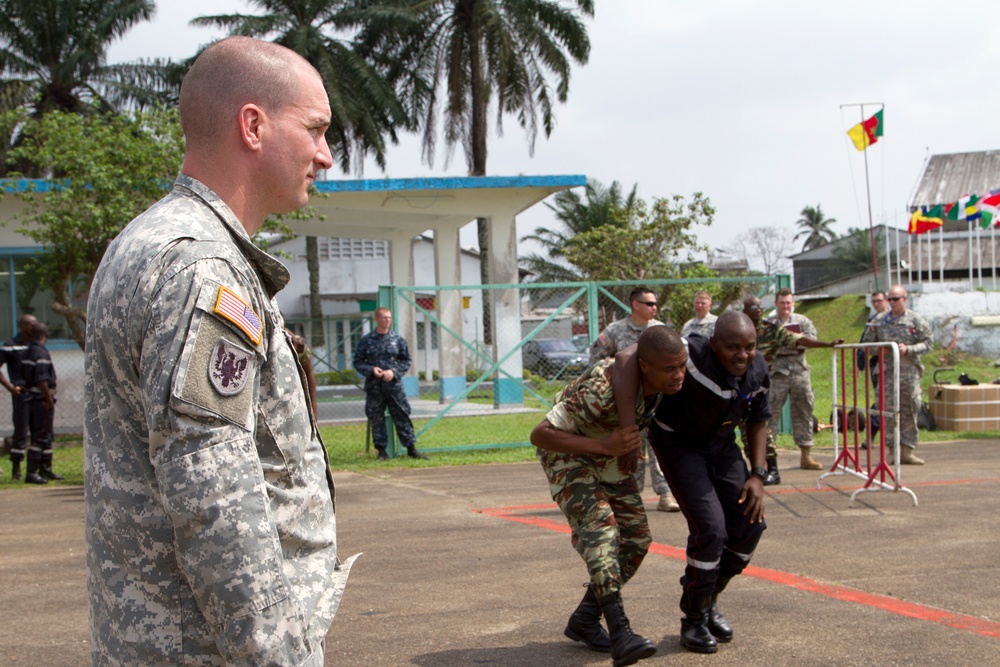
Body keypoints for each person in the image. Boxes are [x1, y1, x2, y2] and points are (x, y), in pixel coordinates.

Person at [83, 37, 358, 665]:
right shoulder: (203, 267)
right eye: (315, 129)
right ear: (253, 126)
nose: (326, 154)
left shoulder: (150, 240)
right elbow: (216, 500)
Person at [531, 326, 688, 666]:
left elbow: (633, 352)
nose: (679, 376)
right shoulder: (601, 390)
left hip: (610, 458)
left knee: (636, 539)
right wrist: (604, 445)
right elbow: (540, 434)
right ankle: (621, 632)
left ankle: (586, 618)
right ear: (645, 366)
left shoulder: (659, 380)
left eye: (682, 366)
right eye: (670, 369)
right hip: (569, 457)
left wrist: (618, 446)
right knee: (602, 529)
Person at [613, 311, 768, 654]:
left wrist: (758, 474)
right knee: (712, 530)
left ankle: (710, 600)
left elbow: (758, 419)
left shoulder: (758, 371)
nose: (742, 355)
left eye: (750, 346)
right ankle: (693, 619)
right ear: (714, 345)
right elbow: (626, 357)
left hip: (723, 446)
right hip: (679, 445)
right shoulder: (693, 354)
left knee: (749, 524)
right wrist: (629, 430)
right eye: (732, 347)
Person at [590, 286, 680, 512]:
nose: (654, 308)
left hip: (657, 401)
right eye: (649, 304)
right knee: (632, 446)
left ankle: (666, 494)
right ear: (635, 305)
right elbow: (595, 359)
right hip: (628, 402)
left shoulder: (661, 330)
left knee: (661, 447)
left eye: (655, 304)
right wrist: (615, 369)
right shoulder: (615, 330)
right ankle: (632, 495)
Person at [741, 294, 841, 482]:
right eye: (755, 308)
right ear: (745, 310)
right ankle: (749, 468)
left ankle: (772, 470)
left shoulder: (771, 330)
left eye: (761, 307)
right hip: (737, 387)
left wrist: (827, 345)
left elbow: (800, 340)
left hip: (758, 387)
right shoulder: (737, 329)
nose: (759, 310)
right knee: (742, 429)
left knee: (760, 426)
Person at [860, 284, 933, 465]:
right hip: (886, 371)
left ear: (904, 299)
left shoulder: (915, 320)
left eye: (896, 299)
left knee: (910, 409)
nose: (892, 303)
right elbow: (867, 345)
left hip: (908, 370)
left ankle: (907, 450)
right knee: (887, 411)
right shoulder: (879, 320)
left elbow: (928, 343)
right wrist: (881, 350)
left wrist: (909, 349)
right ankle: (892, 450)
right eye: (890, 299)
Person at [353, 307, 428, 460]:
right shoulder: (367, 341)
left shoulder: (398, 340)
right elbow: (358, 361)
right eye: (383, 318)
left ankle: (411, 449)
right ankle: (381, 451)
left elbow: (406, 360)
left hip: (394, 386)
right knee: (377, 417)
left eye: (389, 318)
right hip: (375, 386)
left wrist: (393, 372)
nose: (387, 320)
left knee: (402, 414)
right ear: (376, 319)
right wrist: (372, 369)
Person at [22, 321, 61, 483]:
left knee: (45, 434)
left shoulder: (29, 351)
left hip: (33, 398)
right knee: (39, 436)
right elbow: (41, 379)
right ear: (46, 335)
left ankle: (46, 469)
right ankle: (32, 472)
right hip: (41, 400)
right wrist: (48, 399)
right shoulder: (40, 353)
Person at [0, 313, 36, 480]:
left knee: (38, 432)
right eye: (31, 325)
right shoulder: (10, 346)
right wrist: (11, 389)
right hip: (21, 394)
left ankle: (37, 469)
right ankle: (16, 470)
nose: (34, 327)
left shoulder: (37, 345)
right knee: (21, 431)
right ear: (23, 326)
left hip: (38, 394)